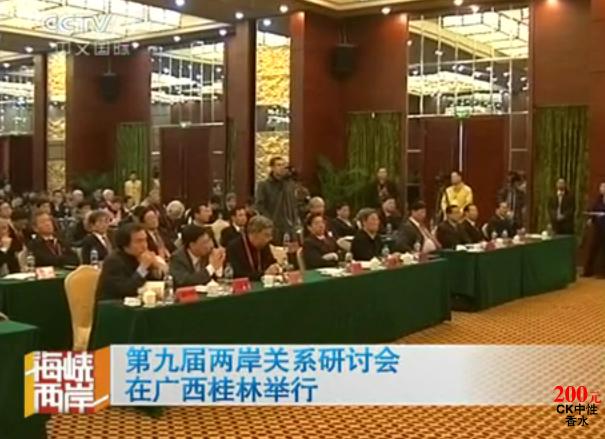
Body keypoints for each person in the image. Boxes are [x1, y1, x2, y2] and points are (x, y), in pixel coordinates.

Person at [96, 223, 165, 300]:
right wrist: (143, 267)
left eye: (145, 240)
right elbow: (127, 289)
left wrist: (155, 268)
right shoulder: (113, 261)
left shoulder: (141, 257)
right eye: (139, 241)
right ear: (125, 244)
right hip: (113, 304)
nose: (144, 245)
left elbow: (154, 284)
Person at [255, 156, 299, 244]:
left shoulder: (290, 184)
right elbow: (260, 205)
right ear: (272, 168)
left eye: (283, 165)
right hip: (273, 226)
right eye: (278, 165)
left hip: (290, 226)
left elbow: (294, 204)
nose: (281, 167)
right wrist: (269, 220)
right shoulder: (264, 185)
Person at [226, 215, 281, 281]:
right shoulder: (234, 247)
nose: (270, 238)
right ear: (254, 234)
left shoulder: (264, 245)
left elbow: (271, 262)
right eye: (266, 235)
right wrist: (263, 274)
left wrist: (276, 267)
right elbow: (238, 274)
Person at [584, 182, 605, 277]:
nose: (602, 189)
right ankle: (588, 271)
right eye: (601, 187)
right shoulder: (598, 199)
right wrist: (591, 219)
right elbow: (593, 210)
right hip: (598, 227)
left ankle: (602, 272)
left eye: (604, 187)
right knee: (593, 248)